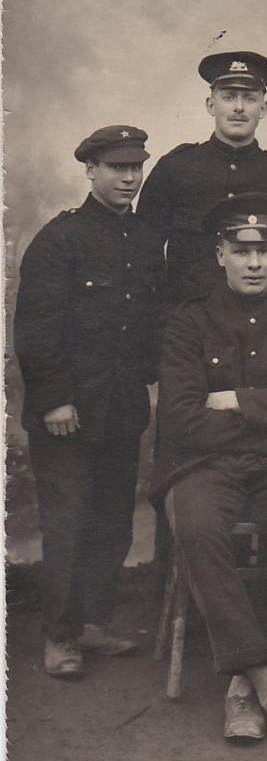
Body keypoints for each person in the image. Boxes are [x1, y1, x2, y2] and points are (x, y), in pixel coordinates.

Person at [153, 192, 267, 750]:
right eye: (242, 250)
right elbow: (182, 420)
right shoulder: (189, 321)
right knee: (199, 527)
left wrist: (236, 399)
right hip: (203, 463)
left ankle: (248, 677)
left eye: (265, 250)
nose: (255, 263)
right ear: (220, 255)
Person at [14, 126, 166, 679]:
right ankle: (60, 637)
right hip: (67, 413)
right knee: (68, 523)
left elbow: (148, 322)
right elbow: (34, 329)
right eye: (116, 168)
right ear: (90, 171)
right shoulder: (60, 240)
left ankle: (94, 624)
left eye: (135, 168)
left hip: (121, 408)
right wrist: (55, 399)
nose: (129, 178)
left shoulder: (147, 240)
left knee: (112, 523)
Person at [137, 49, 267, 304]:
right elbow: (144, 251)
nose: (239, 108)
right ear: (211, 105)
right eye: (229, 97)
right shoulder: (175, 169)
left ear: (263, 108)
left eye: (249, 99)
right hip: (185, 323)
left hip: (259, 324)